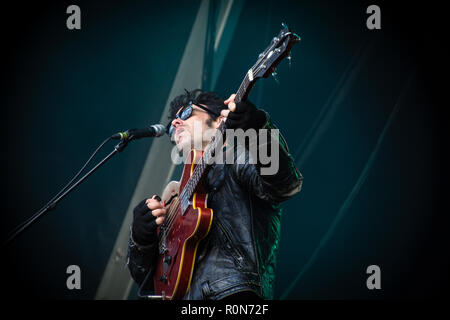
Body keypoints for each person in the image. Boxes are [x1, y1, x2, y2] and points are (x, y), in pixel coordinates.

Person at [127, 89, 303, 300]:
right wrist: (141, 238)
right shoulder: (172, 199)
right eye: (172, 124)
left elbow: (285, 186)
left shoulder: (237, 158)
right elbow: (146, 281)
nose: (175, 124)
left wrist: (258, 131)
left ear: (220, 120)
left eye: (186, 113)